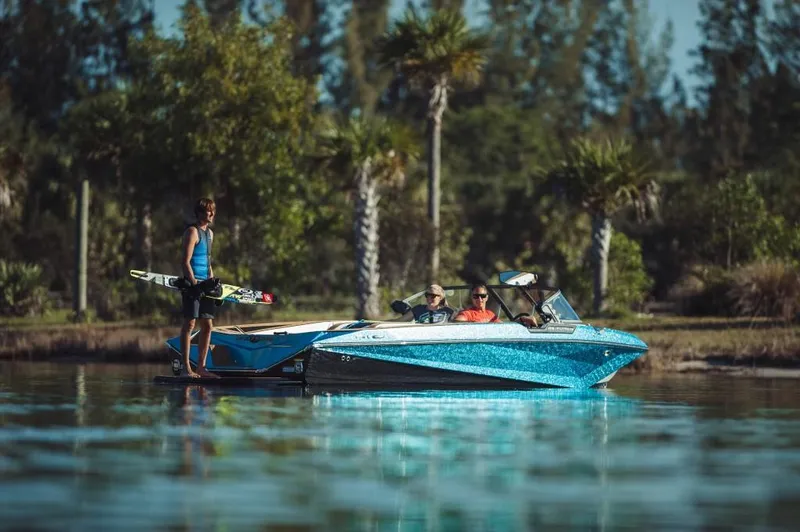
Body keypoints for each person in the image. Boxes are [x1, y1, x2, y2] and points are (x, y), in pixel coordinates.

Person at [178, 198, 220, 378]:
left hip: (205, 285)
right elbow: (185, 262)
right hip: (192, 285)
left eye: (212, 211)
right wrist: (194, 284)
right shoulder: (192, 232)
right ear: (199, 213)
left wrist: (212, 284)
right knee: (190, 323)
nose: (210, 214)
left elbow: (208, 261)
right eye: (207, 211)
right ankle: (187, 368)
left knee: (208, 325)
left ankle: (201, 368)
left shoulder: (210, 234)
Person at [454, 282, 539, 327]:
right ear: (472, 298)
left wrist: (522, 319)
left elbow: (504, 326)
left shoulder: (490, 314)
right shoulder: (467, 313)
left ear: (486, 298)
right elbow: (456, 323)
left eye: (482, 296)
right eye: (476, 296)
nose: (480, 299)